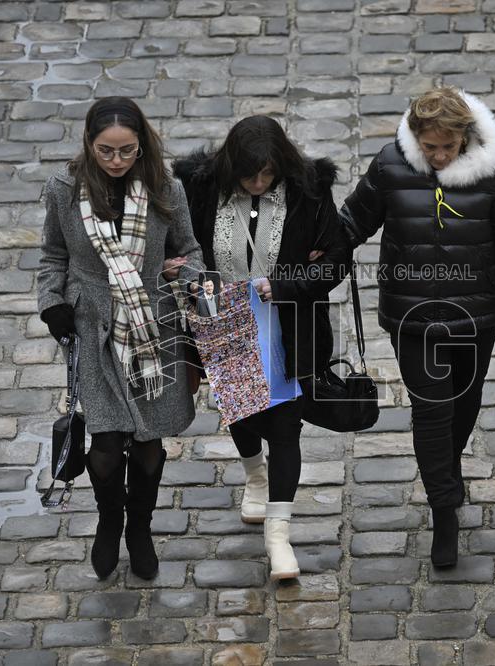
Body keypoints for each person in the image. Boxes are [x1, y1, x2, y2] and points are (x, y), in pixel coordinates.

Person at [340, 87, 495, 568]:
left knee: (464, 401)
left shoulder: (492, 175)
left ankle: (445, 474)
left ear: (464, 140)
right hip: (411, 316)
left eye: (446, 147)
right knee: (432, 409)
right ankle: (444, 510)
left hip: (476, 316)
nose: (437, 156)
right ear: (415, 137)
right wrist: (309, 254)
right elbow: (352, 222)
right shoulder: (391, 166)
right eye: (429, 146)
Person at [174, 116, 350, 580]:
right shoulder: (200, 189)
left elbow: (336, 261)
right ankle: (255, 474)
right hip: (224, 323)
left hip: (289, 326)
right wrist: (186, 273)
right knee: (242, 412)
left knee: (285, 426)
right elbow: (183, 248)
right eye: (249, 175)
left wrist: (289, 282)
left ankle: (278, 534)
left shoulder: (308, 192)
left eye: (266, 175)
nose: (257, 183)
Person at [37, 97, 204, 581]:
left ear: (141, 145)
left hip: (155, 328)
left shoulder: (164, 188)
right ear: (89, 144)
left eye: (126, 151)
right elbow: (52, 255)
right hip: (94, 329)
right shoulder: (64, 190)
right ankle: (110, 522)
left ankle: (141, 529)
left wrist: (186, 273)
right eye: (105, 151)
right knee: (106, 443)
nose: (115, 161)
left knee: (150, 442)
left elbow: (187, 248)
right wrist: (53, 302)